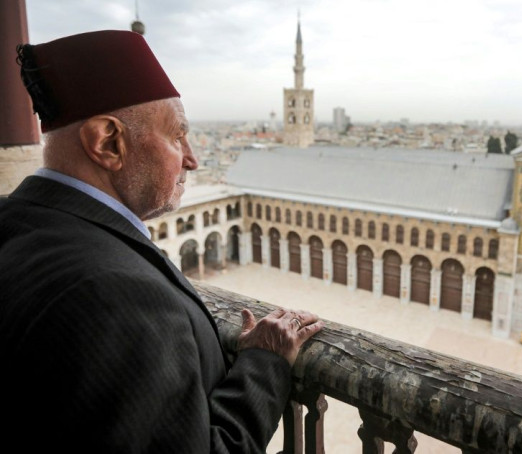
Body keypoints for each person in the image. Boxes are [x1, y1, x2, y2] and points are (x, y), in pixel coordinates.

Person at [0, 30, 323, 453]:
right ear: (108, 142)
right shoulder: (119, 296)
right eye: (177, 136)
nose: (192, 158)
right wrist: (264, 363)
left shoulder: (15, 222)